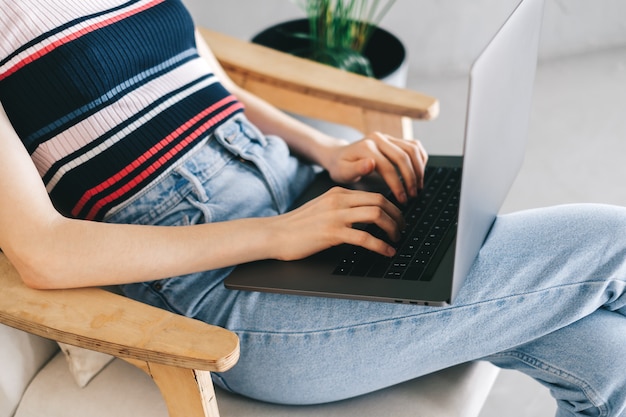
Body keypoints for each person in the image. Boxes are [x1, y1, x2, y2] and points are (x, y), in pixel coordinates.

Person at [1, 1, 626, 415]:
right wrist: (275, 235)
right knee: (614, 240)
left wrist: (326, 149)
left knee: (605, 360)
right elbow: (43, 251)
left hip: (310, 196)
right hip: (223, 297)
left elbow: (210, 86)